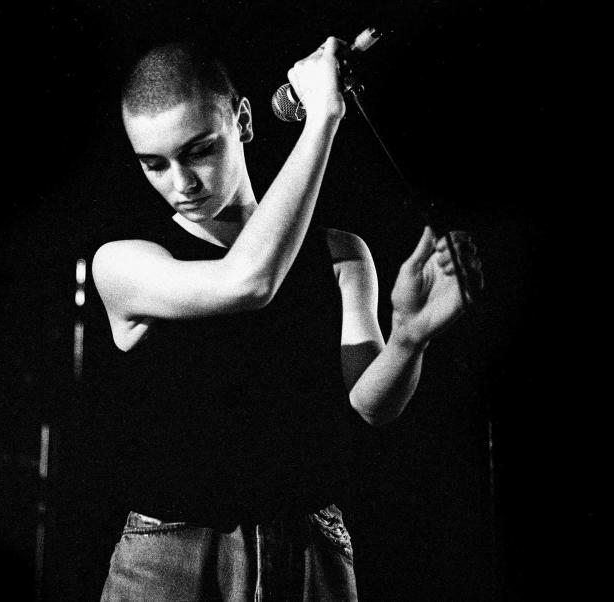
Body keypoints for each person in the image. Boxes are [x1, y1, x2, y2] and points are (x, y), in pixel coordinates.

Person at [92, 36, 481, 601]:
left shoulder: (340, 252)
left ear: (243, 120)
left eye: (198, 149)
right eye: (155, 164)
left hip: (309, 546)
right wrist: (321, 117)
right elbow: (249, 281)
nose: (181, 183)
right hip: (171, 555)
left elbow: (372, 405)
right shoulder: (125, 261)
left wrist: (411, 336)